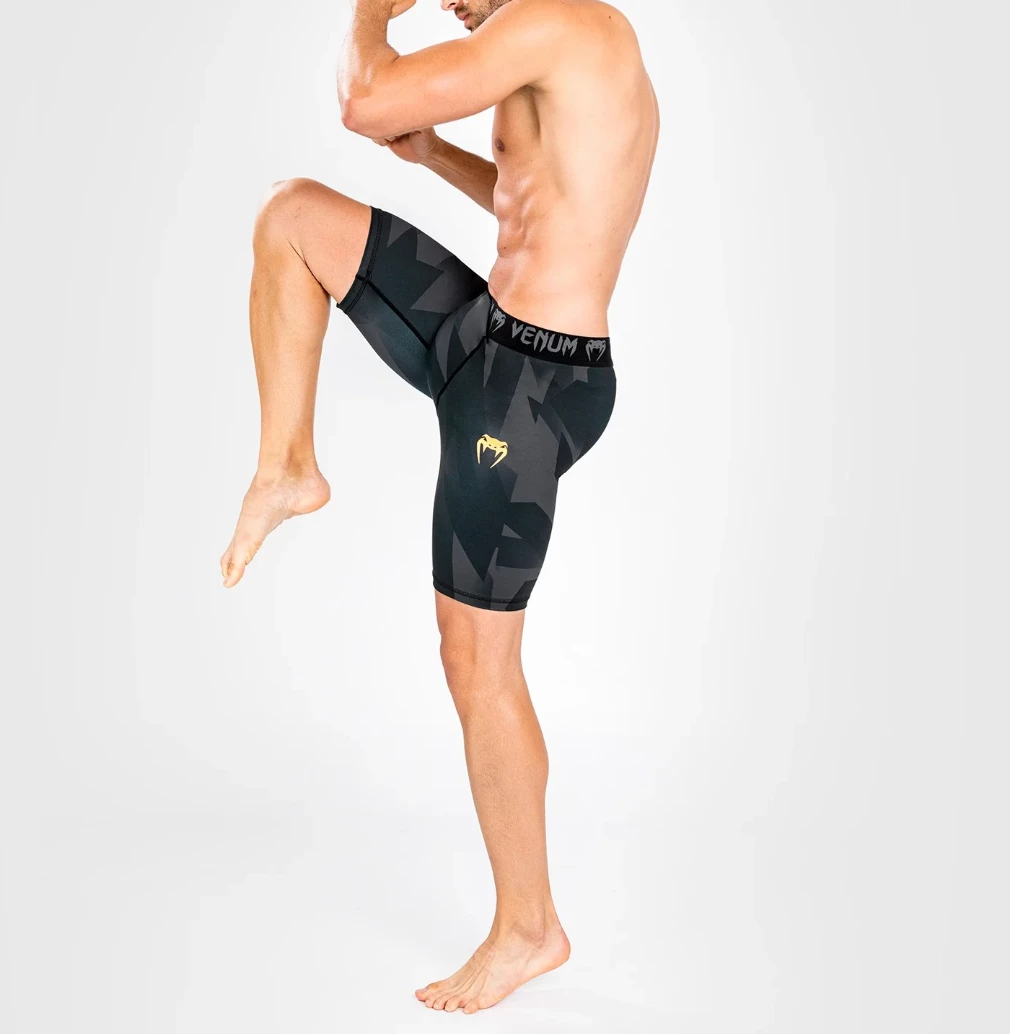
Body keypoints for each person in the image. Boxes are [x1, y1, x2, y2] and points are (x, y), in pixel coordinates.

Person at [220, 0, 658, 1014]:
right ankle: (287, 465)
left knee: (476, 664)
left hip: (531, 389)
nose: (447, 5)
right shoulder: (552, 48)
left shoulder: (563, 27)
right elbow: (538, 198)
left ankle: (529, 926)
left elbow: (363, 101)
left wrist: (374, 9)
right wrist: (434, 160)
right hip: (484, 338)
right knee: (292, 216)